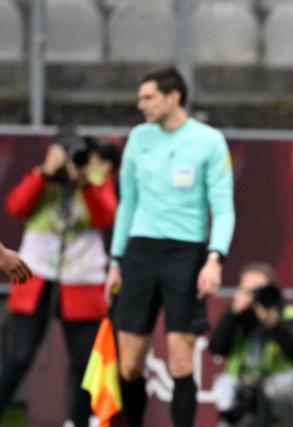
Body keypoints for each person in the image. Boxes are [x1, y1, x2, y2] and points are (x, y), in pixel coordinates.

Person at [105, 67, 235, 427]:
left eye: (148, 97)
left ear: (173, 96)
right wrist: (115, 261)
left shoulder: (209, 141)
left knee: (181, 358)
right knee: (129, 363)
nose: (140, 104)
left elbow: (223, 208)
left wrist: (215, 259)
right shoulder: (138, 138)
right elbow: (127, 203)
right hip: (139, 253)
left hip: (186, 254)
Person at [0, 129, 118, 427]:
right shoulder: (41, 177)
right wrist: (43, 174)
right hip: (35, 278)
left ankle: (77, 421)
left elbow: (106, 217)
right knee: (17, 356)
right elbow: (16, 206)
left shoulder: (94, 181)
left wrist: (84, 182)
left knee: (83, 362)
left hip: (81, 281)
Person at [208, 263, 293, 427]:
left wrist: (274, 323)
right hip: (246, 397)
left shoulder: (288, 315)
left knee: (282, 390)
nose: (253, 296)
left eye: (258, 290)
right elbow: (216, 348)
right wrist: (233, 312)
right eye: (246, 290)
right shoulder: (238, 319)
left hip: (279, 399)